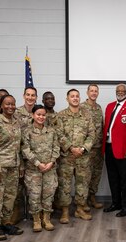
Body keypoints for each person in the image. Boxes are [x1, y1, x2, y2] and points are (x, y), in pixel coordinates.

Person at [0, 94, 24, 241]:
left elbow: (19, 147)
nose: (11, 107)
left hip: (13, 166)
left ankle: (7, 223)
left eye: (13, 104)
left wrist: (20, 165)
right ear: (1, 106)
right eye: (7, 104)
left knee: (9, 197)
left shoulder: (17, 122)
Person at [55, 89, 95, 223]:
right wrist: (71, 148)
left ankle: (79, 209)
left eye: (77, 96)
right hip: (67, 157)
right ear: (67, 99)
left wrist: (83, 149)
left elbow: (91, 134)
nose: (75, 98)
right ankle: (65, 212)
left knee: (82, 184)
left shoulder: (87, 115)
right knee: (65, 185)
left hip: (83, 157)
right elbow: (59, 134)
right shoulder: (60, 116)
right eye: (72, 96)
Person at [103, 84, 126, 217]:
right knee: (113, 178)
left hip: (125, 150)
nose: (120, 93)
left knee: (125, 180)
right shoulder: (109, 106)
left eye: (122, 91)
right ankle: (116, 203)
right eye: (118, 91)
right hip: (109, 148)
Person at [22, 105, 59, 232]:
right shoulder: (27, 131)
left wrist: (51, 162)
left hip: (50, 169)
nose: (41, 117)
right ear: (33, 115)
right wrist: (38, 163)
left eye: (43, 115)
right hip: (34, 170)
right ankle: (36, 220)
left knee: (49, 194)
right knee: (34, 195)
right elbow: (25, 149)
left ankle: (46, 219)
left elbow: (56, 148)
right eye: (38, 114)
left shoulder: (51, 131)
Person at [12, 86, 38, 224]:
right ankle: (17, 212)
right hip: (19, 154)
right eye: (28, 95)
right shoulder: (16, 113)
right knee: (18, 185)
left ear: (36, 97)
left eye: (33, 95)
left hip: (35, 156)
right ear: (23, 96)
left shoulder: (38, 113)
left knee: (32, 186)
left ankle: (33, 212)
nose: (30, 97)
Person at [80, 84, 104, 209]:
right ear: (87, 92)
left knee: (96, 174)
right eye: (92, 91)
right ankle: (82, 201)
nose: (94, 93)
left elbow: (102, 126)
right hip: (87, 149)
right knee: (85, 176)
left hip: (98, 148)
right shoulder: (81, 107)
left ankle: (92, 197)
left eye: (96, 91)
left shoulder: (99, 108)